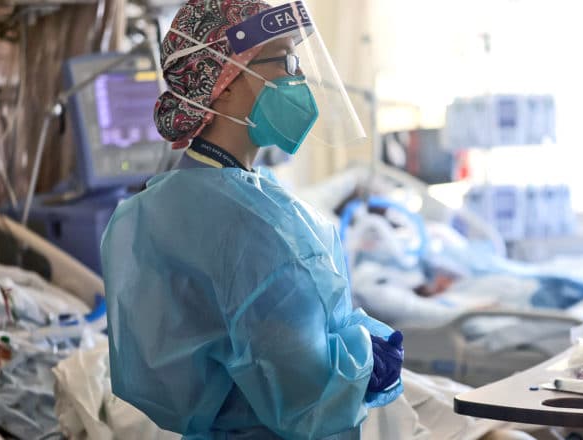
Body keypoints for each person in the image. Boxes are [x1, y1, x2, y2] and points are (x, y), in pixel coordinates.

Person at [100, 1, 404, 439]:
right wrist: (367, 364)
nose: (298, 78)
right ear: (223, 84)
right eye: (284, 60)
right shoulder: (252, 226)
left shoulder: (147, 211)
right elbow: (306, 396)